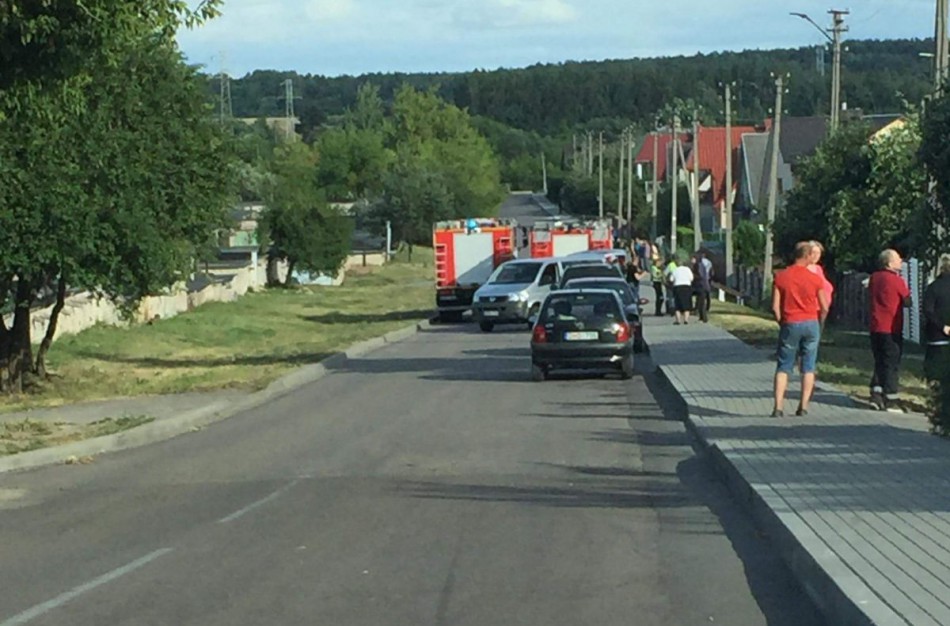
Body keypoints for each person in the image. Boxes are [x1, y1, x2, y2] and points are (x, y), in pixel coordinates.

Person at [771, 241, 830, 417]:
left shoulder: (781, 277)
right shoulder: (815, 279)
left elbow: (775, 307)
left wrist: (782, 322)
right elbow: (824, 306)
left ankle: (778, 407)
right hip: (811, 322)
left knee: (784, 366)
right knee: (808, 366)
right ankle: (803, 407)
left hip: (790, 322)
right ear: (807, 255)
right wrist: (820, 322)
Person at [867, 249, 912, 412]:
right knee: (891, 363)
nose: (901, 261)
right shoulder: (896, 280)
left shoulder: (874, 278)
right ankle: (891, 397)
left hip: (875, 326)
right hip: (891, 327)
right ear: (890, 262)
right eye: (898, 259)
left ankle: (876, 394)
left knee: (879, 360)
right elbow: (907, 301)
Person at [923, 253, 950, 385]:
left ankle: (934, 385)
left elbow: (928, 310)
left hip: (936, 334)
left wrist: (942, 326)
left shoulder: (934, 287)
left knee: (935, 366)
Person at [670, 260, 695, 325]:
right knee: (687, 304)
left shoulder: (675, 270)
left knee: (677, 304)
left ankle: (678, 320)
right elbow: (691, 278)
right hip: (687, 287)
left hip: (678, 287)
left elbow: (671, 279)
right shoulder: (687, 269)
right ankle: (686, 320)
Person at [692, 254, 712, 323]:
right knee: (700, 302)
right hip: (701, 285)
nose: (691, 260)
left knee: (701, 303)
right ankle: (701, 317)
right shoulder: (699, 265)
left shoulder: (698, 265)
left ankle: (704, 318)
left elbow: (701, 276)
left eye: (693, 259)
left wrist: (693, 276)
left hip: (701, 286)